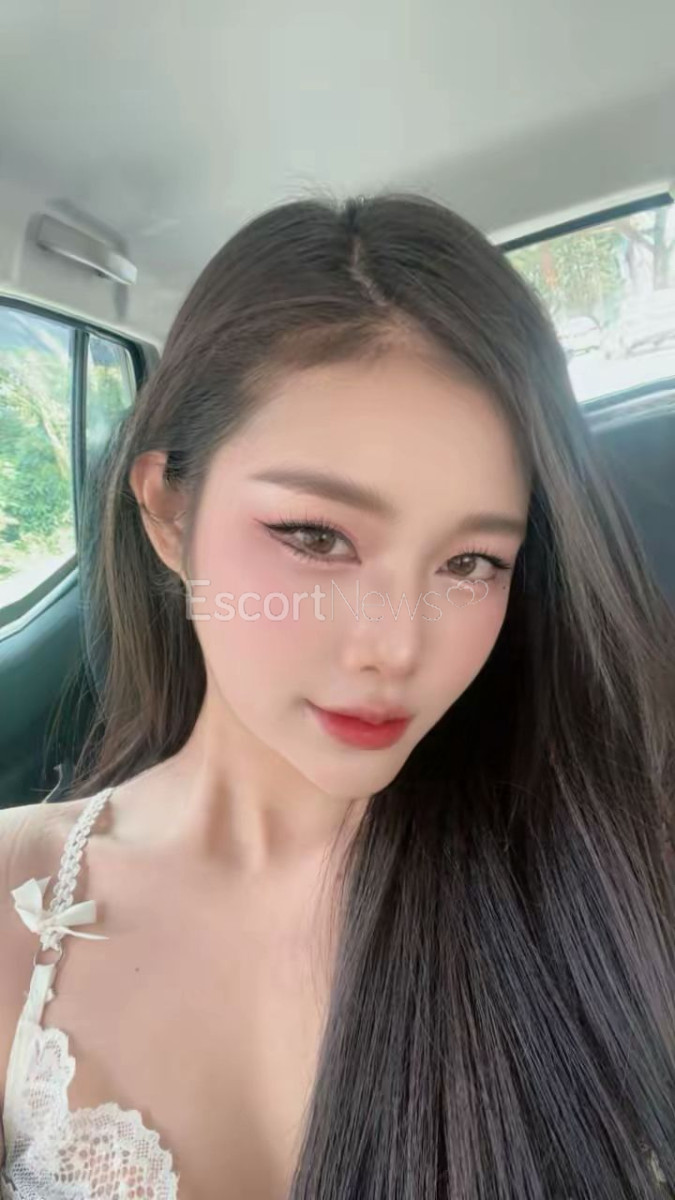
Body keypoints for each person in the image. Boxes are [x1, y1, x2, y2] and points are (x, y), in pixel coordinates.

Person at [0, 193, 673, 1199]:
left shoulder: (612, 872)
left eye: (471, 562)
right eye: (316, 537)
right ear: (169, 510)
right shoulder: (15, 899)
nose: (395, 647)